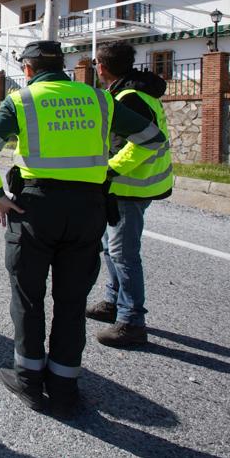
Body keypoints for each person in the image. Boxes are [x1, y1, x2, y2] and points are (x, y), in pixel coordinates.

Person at [0, 40, 167, 414]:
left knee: (29, 297)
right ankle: (64, 386)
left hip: (35, 209)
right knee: (72, 300)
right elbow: (152, 140)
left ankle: (28, 379)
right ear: (63, 66)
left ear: (28, 69)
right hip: (87, 210)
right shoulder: (100, 99)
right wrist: (112, 170)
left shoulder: (23, 100)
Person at [86, 42, 173, 348]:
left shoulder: (129, 98)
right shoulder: (132, 91)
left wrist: (109, 169)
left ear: (102, 67)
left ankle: (132, 321)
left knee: (123, 253)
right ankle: (113, 301)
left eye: (97, 63)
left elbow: (144, 142)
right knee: (111, 247)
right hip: (131, 183)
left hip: (131, 185)